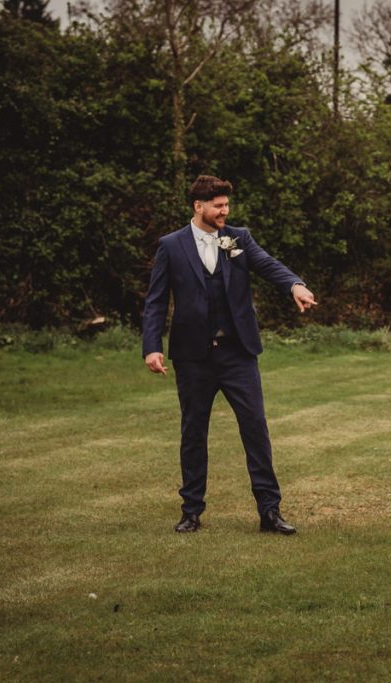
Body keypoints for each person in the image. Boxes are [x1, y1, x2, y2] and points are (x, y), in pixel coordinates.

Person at [142, 175, 317, 535]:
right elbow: (156, 300)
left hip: (238, 354)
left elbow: (268, 264)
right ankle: (191, 511)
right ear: (198, 207)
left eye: (226, 205)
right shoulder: (171, 246)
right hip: (193, 357)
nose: (225, 211)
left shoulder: (238, 237)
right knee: (193, 433)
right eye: (218, 206)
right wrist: (152, 347)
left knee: (255, 429)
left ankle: (270, 512)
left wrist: (294, 284)